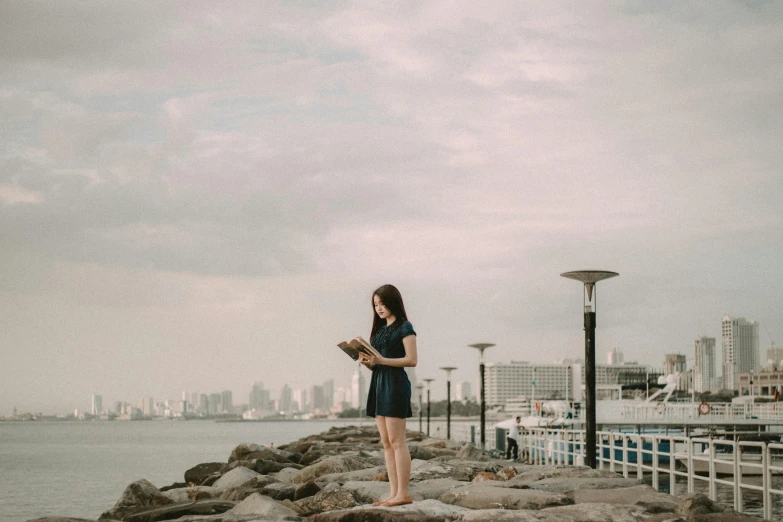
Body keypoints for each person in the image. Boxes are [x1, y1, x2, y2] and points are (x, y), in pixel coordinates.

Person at [359, 284, 418, 507]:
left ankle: (403, 493)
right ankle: (394, 493)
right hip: (379, 383)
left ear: (393, 302)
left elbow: (412, 360)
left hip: (395, 385)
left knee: (397, 441)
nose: (379, 308)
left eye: (382, 303)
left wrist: (381, 361)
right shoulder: (379, 330)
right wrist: (369, 363)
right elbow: (378, 365)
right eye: (375, 305)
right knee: (385, 442)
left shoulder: (405, 327)